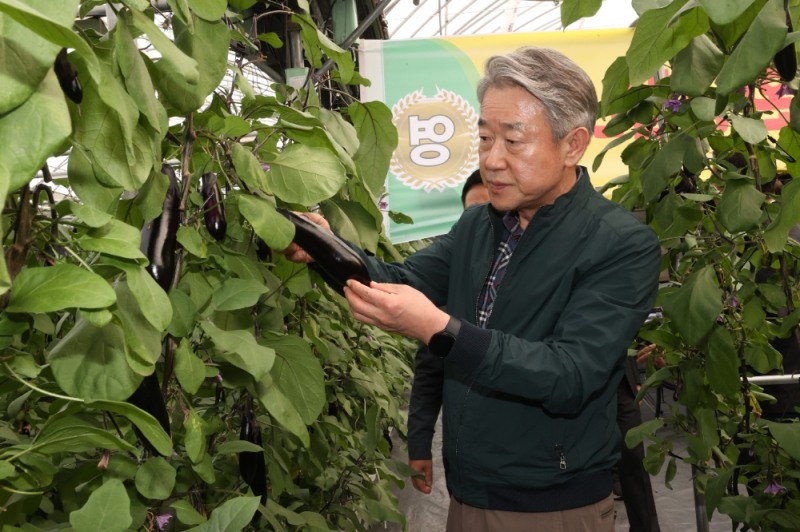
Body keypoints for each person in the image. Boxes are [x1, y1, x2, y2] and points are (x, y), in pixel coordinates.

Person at [281, 46, 662, 531]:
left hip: (551, 506)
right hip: (468, 494)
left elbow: (569, 375)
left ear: (573, 145)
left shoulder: (620, 244)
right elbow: (399, 281)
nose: (492, 160)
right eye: (484, 138)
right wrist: (322, 246)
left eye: (513, 140)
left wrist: (441, 330)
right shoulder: (479, 227)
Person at [407, 169, 489, 496]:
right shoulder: (452, 283)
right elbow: (430, 369)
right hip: (471, 459)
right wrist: (419, 444)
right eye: (474, 214)